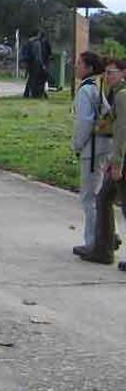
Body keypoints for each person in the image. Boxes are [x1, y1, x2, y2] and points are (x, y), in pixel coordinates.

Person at [82, 58, 126, 265]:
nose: (107, 77)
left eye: (112, 73)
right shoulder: (114, 94)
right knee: (103, 198)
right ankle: (104, 246)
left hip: (122, 160)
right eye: (106, 73)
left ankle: (104, 248)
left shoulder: (123, 96)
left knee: (107, 200)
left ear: (123, 73)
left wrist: (117, 163)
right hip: (117, 157)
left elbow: (122, 132)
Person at [72, 51, 111, 257]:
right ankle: (106, 235)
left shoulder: (86, 91)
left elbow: (84, 122)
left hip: (92, 148)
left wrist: (77, 145)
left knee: (90, 197)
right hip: (104, 146)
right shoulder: (97, 87)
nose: (75, 67)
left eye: (79, 64)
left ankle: (95, 242)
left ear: (88, 68)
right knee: (98, 195)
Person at [22, 31, 49, 99]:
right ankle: (35, 94)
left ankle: (27, 93)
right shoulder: (37, 43)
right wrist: (42, 65)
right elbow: (37, 56)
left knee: (31, 78)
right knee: (35, 79)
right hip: (36, 63)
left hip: (30, 62)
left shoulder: (30, 41)